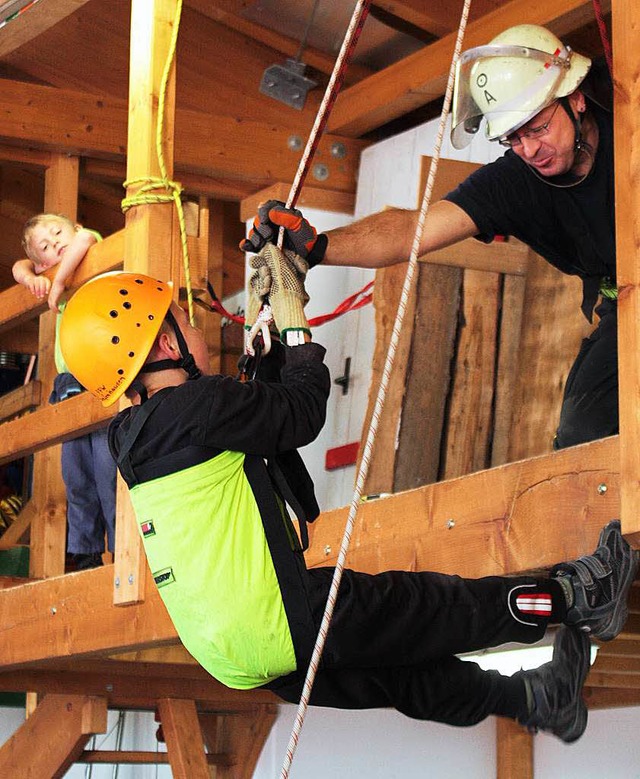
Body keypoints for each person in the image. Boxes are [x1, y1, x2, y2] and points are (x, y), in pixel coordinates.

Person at [58, 251, 637, 743]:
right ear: (164, 342)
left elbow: (258, 437)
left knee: (400, 676)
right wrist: (295, 327)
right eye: (183, 321)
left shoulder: (131, 438)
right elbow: (301, 413)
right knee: (438, 609)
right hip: (284, 617)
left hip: (230, 654)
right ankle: (576, 597)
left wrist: (269, 349)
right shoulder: (198, 408)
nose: (196, 329)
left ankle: (537, 700)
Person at [240, 24, 616, 451]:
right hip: (626, 306)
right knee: (581, 439)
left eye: (538, 128)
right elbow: (410, 231)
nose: (529, 149)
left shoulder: (628, 122)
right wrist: (316, 245)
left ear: (576, 99)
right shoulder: (512, 183)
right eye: (513, 137)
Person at [13, 213, 116, 570]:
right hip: (69, 380)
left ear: (72, 228)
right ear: (43, 262)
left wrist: (55, 286)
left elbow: (85, 240)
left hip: (102, 368)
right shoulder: (49, 269)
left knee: (108, 468)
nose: (56, 241)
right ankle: (85, 550)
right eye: (46, 246)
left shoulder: (87, 252)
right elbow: (18, 266)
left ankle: (121, 547)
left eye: (58, 232)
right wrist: (31, 277)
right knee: (76, 475)